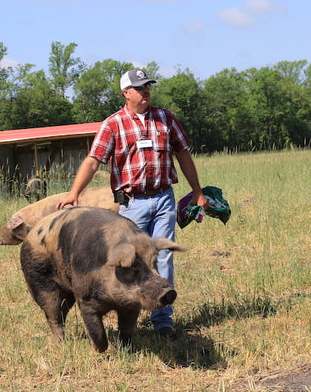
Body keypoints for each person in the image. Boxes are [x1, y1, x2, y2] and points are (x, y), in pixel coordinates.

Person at [56, 68, 209, 339]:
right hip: (131, 205)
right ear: (126, 93)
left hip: (164, 199)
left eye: (148, 86)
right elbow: (93, 160)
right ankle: (126, 320)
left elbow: (183, 154)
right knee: (127, 264)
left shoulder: (166, 119)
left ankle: (163, 323)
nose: (146, 91)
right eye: (140, 88)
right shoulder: (113, 124)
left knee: (162, 259)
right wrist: (73, 193)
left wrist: (197, 191)